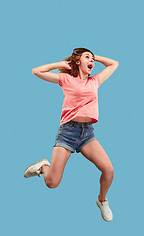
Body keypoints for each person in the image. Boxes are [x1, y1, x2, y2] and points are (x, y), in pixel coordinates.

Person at [24, 48, 119, 222]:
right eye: (87, 57)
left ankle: (102, 200)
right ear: (77, 62)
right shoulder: (66, 79)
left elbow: (114, 64)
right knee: (52, 183)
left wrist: (94, 56)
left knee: (109, 170)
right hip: (68, 132)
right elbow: (36, 71)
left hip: (87, 134)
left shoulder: (95, 81)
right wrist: (60, 65)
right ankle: (43, 167)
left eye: (93, 59)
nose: (92, 61)